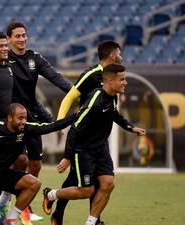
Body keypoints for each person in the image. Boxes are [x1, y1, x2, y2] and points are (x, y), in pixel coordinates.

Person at [43, 64, 146, 225]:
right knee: (86, 191)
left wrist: (131, 127)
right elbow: (74, 130)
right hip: (83, 151)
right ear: (110, 81)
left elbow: (114, 114)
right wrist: (67, 157)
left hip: (100, 148)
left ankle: (91, 223)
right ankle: (51, 195)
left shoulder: (113, 96)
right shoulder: (94, 102)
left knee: (108, 183)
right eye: (122, 79)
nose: (125, 82)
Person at [6, 21, 73, 222]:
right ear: (8, 39)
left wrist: (76, 92)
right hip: (9, 119)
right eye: (17, 36)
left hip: (31, 118)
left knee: (35, 163)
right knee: (17, 161)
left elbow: (56, 77)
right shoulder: (2, 58)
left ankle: (21, 205)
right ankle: (8, 203)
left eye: (24, 35)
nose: (22, 39)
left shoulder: (34, 58)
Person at [51, 40, 122, 225]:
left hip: (100, 138)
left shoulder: (115, 77)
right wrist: (61, 124)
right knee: (76, 179)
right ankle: (58, 212)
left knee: (103, 181)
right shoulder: (91, 74)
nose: (121, 57)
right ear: (113, 55)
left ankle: (94, 220)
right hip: (82, 136)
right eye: (120, 54)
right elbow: (69, 98)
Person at [0, 103, 75, 225]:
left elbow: (51, 126)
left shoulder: (27, 129)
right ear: (10, 118)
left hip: (4, 176)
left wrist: (75, 116)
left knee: (34, 183)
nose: (23, 121)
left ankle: (11, 219)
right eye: (20, 118)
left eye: (25, 118)